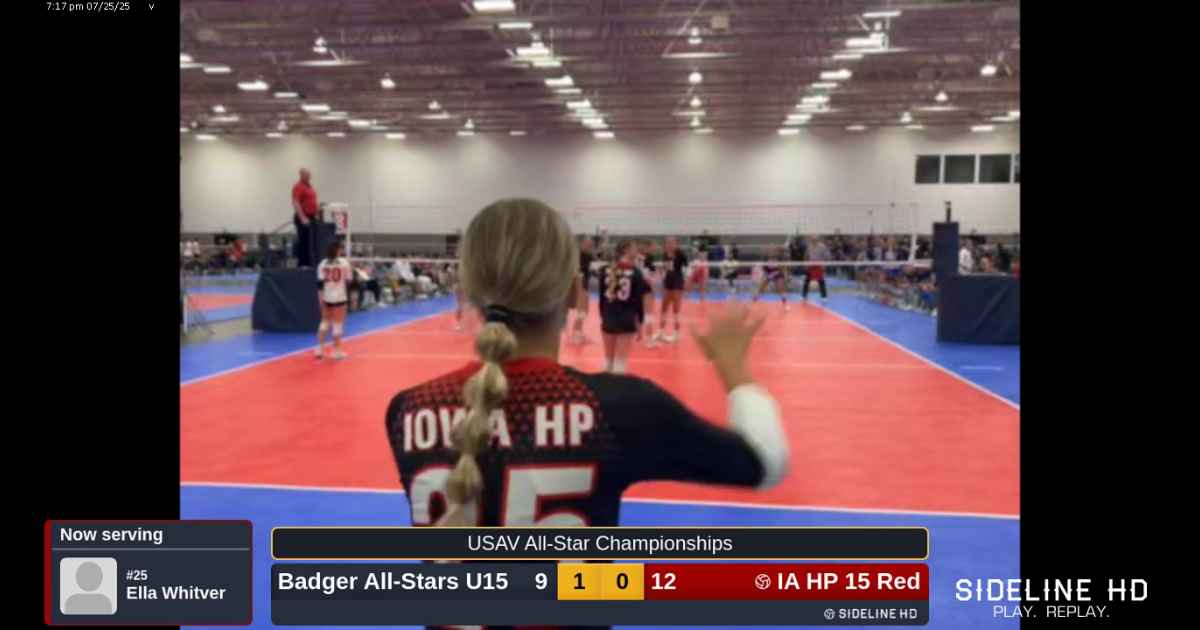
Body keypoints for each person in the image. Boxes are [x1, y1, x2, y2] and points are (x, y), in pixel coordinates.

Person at [384, 198, 789, 532]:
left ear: (469, 290)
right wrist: (735, 369)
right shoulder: (616, 409)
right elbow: (764, 463)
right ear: (571, 291)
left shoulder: (407, 410)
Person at [599, 240, 655, 372]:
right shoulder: (636, 272)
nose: (636, 250)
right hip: (626, 318)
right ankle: (618, 383)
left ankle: (605, 384)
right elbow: (638, 301)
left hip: (609, 317)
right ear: (626, 250)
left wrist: (604, 316)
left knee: (608, 361)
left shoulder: (606, 270)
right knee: (620, 362)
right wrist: (639, 322)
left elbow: (602, 298)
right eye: (634, 248)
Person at [315, 240, 351, 360]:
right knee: (338, 324)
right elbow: (348, 280)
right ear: (338, 250)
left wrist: (320, 298)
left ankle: (320, 349)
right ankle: (336, 351)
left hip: (327, 297)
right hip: (340, 296)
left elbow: (319, 284)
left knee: (324, 321)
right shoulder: (344, 263)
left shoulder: (322, 263)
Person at [659, 236, 688, 343]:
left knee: (676, 308)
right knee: (664, 307)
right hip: (668, 281)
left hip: (677, 281)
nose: (670, 245)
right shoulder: (665, 255)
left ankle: (676, 334)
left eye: (672, 243)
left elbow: (687, 268)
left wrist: (686, 283)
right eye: (668, 243)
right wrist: (662, 278)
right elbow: (665, 268)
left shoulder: (681, 254)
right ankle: (661, 332)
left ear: (676, 244)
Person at [568, 236, 595, 344]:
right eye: (587, 243)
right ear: (582, 243)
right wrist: (579, 288)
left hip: (584, 285)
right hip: (580, 285)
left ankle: (578, 333)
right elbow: (576, 272)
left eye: (591, 244)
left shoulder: (588, 256)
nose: (590, 245)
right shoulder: (577, 255)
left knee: (585, 311)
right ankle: (575, 335)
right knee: (582, 311)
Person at [292, 168, 319, 267]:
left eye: (309, 175)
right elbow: (296, 202)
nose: (309, 176)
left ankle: (310, 263)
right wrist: (302, 217)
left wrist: (317, 212)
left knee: (310, 242)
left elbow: (312, 202)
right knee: (303, 241)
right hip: (303, 217)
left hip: (312, 217)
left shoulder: (310, 187)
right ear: (301, 175)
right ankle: (302, 264)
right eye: (306, 175)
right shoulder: (298, 186)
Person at [753, 246, 790, 311]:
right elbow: (763, 268)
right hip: (768, 273)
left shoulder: (780, 258)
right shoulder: (765, 259)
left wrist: (785, 275)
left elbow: (783, 268)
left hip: (777, 273)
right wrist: (767, 275)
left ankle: (785, 305)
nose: (772, 253)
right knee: (761, 288)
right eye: (771, 251)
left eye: (774, 251)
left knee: (781, 288)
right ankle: (753, 303)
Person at [803, 237, 829, 302]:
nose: (813, 240)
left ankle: (824, 297)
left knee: (821, 281)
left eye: (815, 239)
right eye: (812, 239)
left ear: (817, 239)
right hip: (811, 265)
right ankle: (804, 295)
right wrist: (806, 264)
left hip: (819, 265)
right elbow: (806, 255)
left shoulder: (822, 246)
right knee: (807, 280)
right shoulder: (809, 246)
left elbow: (826, 256)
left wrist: (824, 265)